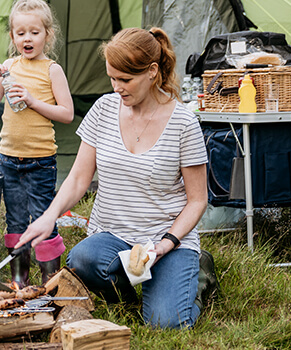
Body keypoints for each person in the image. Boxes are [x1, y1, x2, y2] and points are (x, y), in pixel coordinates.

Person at [13, 27, 208, 329]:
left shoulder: (184, 123)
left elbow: (198, 201)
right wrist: (48, 217)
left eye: (125, 79)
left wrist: (167, 244)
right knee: (83, 259)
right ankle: (132, 297)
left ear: (152, 72)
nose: (117, 87)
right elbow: (79, 178)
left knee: (166, 324)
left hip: (166, 240)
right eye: (112, 78)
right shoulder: (103, 110)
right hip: (113, 238)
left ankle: (195, 281)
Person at [0, 0, 75, 287]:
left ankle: (50, 282)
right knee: (16, 221)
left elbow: (67, 114)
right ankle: (18, 280)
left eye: (34, 32)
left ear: (48, 34)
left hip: (40, 161)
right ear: (12, 37)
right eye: (20, 33)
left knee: (45, 219)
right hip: (9, 159)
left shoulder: (51, 70)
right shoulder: (8, 68)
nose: (27, 38)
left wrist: (33, 101)